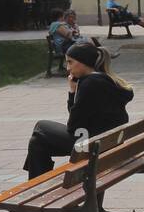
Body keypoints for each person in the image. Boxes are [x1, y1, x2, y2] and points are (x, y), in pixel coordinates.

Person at [23, 42, 133, 178]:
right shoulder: (108, 81)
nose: (68, 68)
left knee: (41, 126)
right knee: (37, 143)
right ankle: (37, 184)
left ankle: (36, 186)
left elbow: (73, 126)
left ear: (83, 62)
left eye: (70, 62)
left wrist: (72, 93)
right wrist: (74, 91)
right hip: (106, 144)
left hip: (90, 147)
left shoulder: (89, 84)